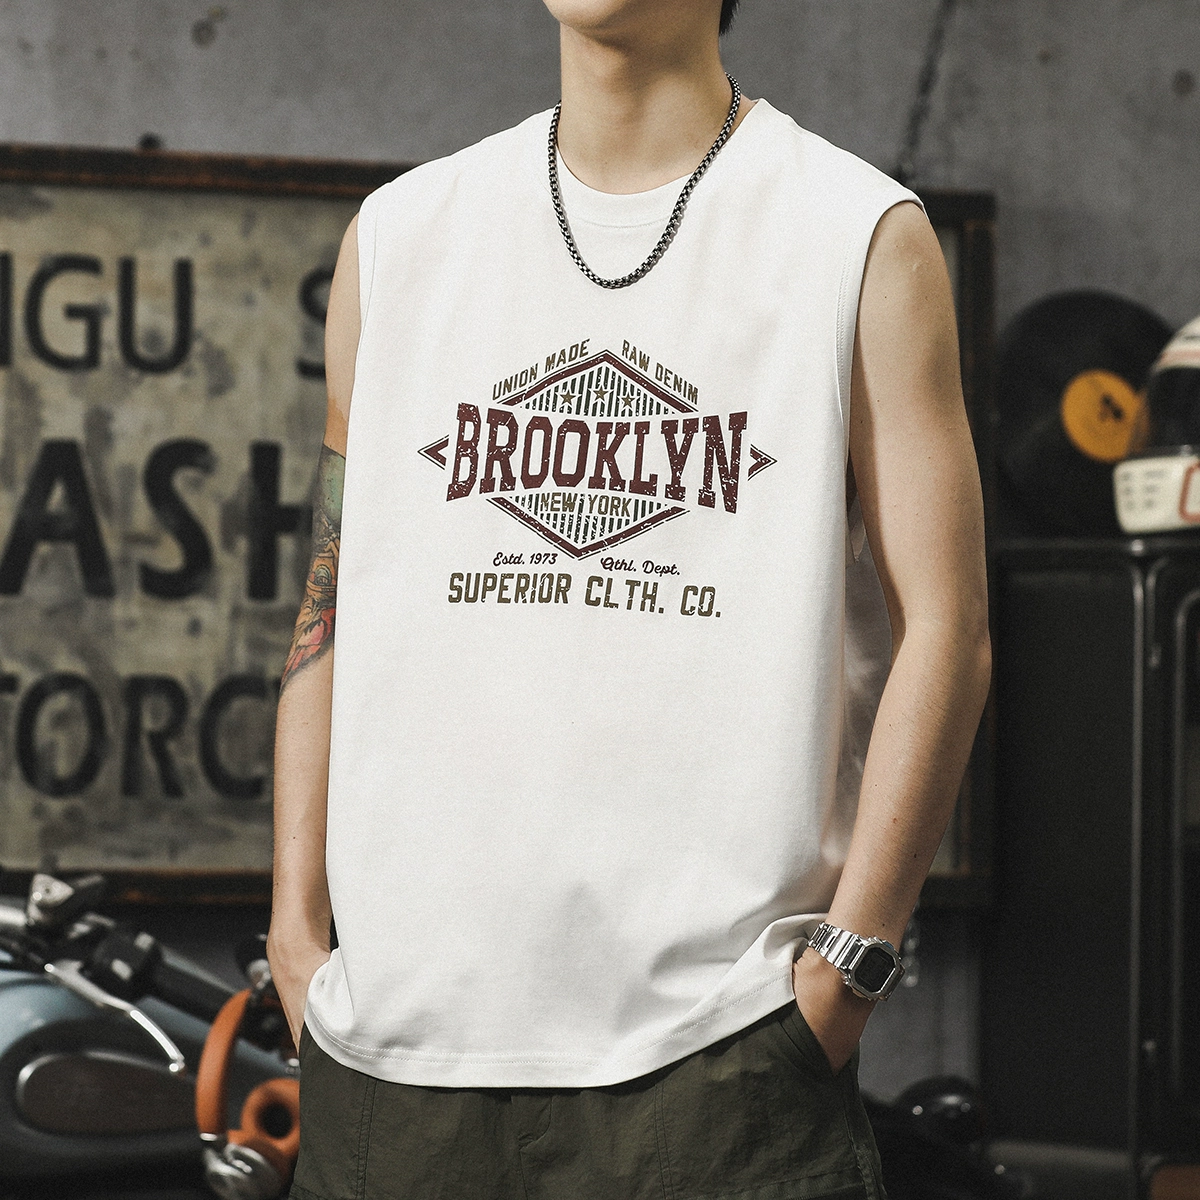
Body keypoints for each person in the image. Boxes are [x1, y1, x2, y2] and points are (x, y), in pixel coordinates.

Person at [267, 0, 991, 1196]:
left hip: (718, 1068)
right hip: (392, 1067)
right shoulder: (400, 238)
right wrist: (296, 936)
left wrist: (849, 968)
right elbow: (332, 591)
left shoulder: (854, 235)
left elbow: (948, 632)